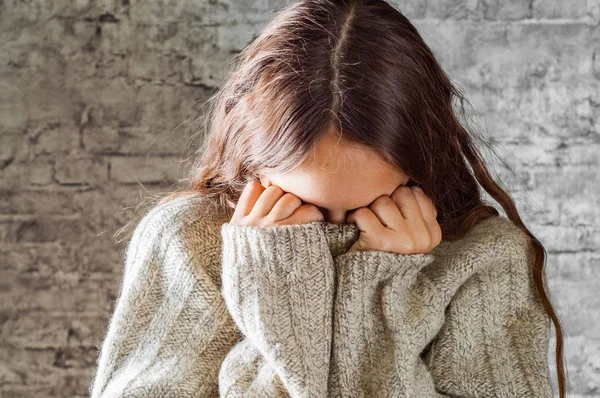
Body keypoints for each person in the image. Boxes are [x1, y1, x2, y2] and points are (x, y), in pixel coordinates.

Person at [88, 0, 567, 397]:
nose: (337, 227)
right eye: (306, 204)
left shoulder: (486, 257)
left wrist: (380, 296)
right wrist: (274, 290)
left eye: (370, 206)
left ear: (423, 168)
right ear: (253, 164)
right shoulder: (185, 240)